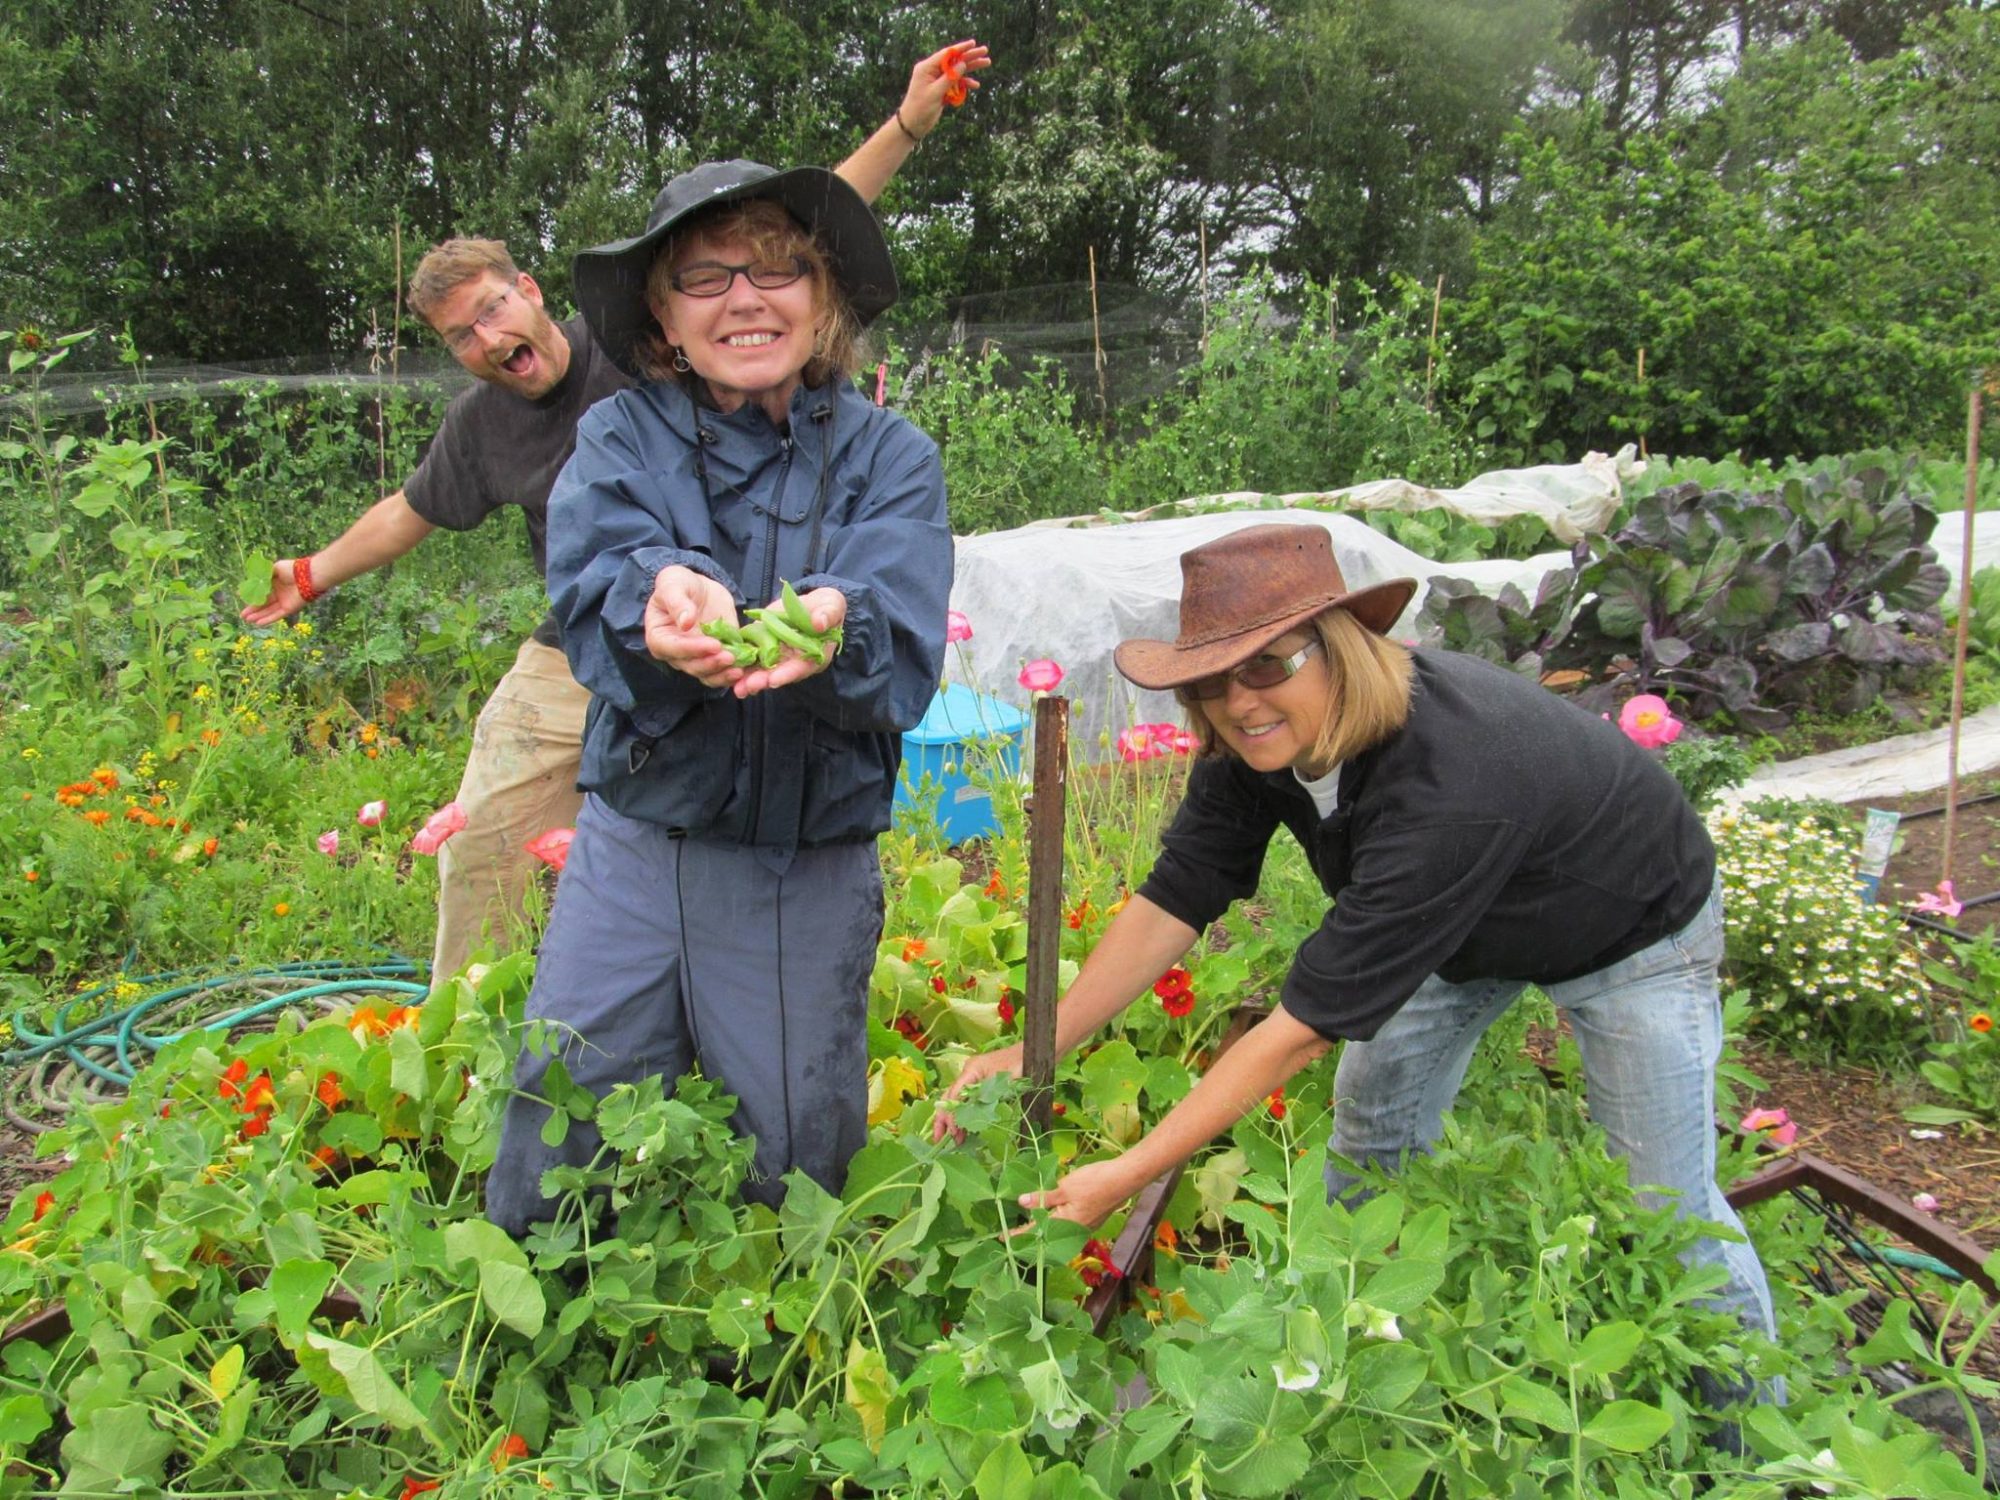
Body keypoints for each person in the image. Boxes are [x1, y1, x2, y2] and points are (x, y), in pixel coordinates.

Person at [239, 40, 989, 991]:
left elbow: (776, 246)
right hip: (585, 637)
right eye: (459, 335)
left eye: (492, 308)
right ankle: (467, 1025)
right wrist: (311, 575)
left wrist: (908, 123)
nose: (487, 337)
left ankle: (704, 1001)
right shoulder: (483, 426)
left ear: (532, 293)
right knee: (484, 844)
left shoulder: (642, 343)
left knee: (718, 858)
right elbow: (408, 512)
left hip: (743, 626)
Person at [945, 522, 1778, 1370]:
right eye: (1211, 682)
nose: (1240, 701)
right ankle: (1347, 1337)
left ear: (1341, 649)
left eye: (1269, 663)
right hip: (1457, 931)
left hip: (1627, 927)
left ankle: (1761, 1440)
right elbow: (1177, 895)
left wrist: (1123, 1175)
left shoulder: (1454, 784)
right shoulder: (1254, 744)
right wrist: (1034, 1051)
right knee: (1374, 1125)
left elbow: (1303, 1024)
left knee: (1666, 1213)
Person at [484, 156, 951, 1233]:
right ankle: (544, 1336)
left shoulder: (892, 458)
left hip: (805, 858)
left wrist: (838, 622)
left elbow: (901, 632)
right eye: (704, 277)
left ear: (822, 295)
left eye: (779, 266)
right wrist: (657, 595)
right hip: (636, 845)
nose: (745, 297)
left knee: (790, 1153)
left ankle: (778, 1362)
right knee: (562, 1106)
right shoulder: (619, 435)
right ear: (661, 315)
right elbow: (605, 563)